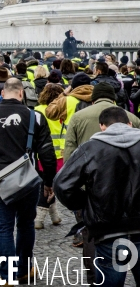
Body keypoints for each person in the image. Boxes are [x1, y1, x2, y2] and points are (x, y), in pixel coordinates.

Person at [0, 78, 57, 282]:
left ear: (3, 94)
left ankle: (7, 277)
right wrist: (48, 183)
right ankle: (25, 271)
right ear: (21, 94)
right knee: (26, 225)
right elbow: (47, 155)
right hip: (29, 182)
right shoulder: (35, 117)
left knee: (3, 227)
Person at [54, 106, 140, 287]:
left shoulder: (90, 149)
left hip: (108, 230)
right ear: (130, 124)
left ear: (102, 126)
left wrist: (85, 204)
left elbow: (62, 185)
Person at [33, 84, 65, 230]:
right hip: (60, 155)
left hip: (41, 154)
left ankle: (45, 217)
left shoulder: (37, 110)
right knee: (49, 184)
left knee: (45, 184)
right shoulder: (63, 110)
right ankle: (44, 217)